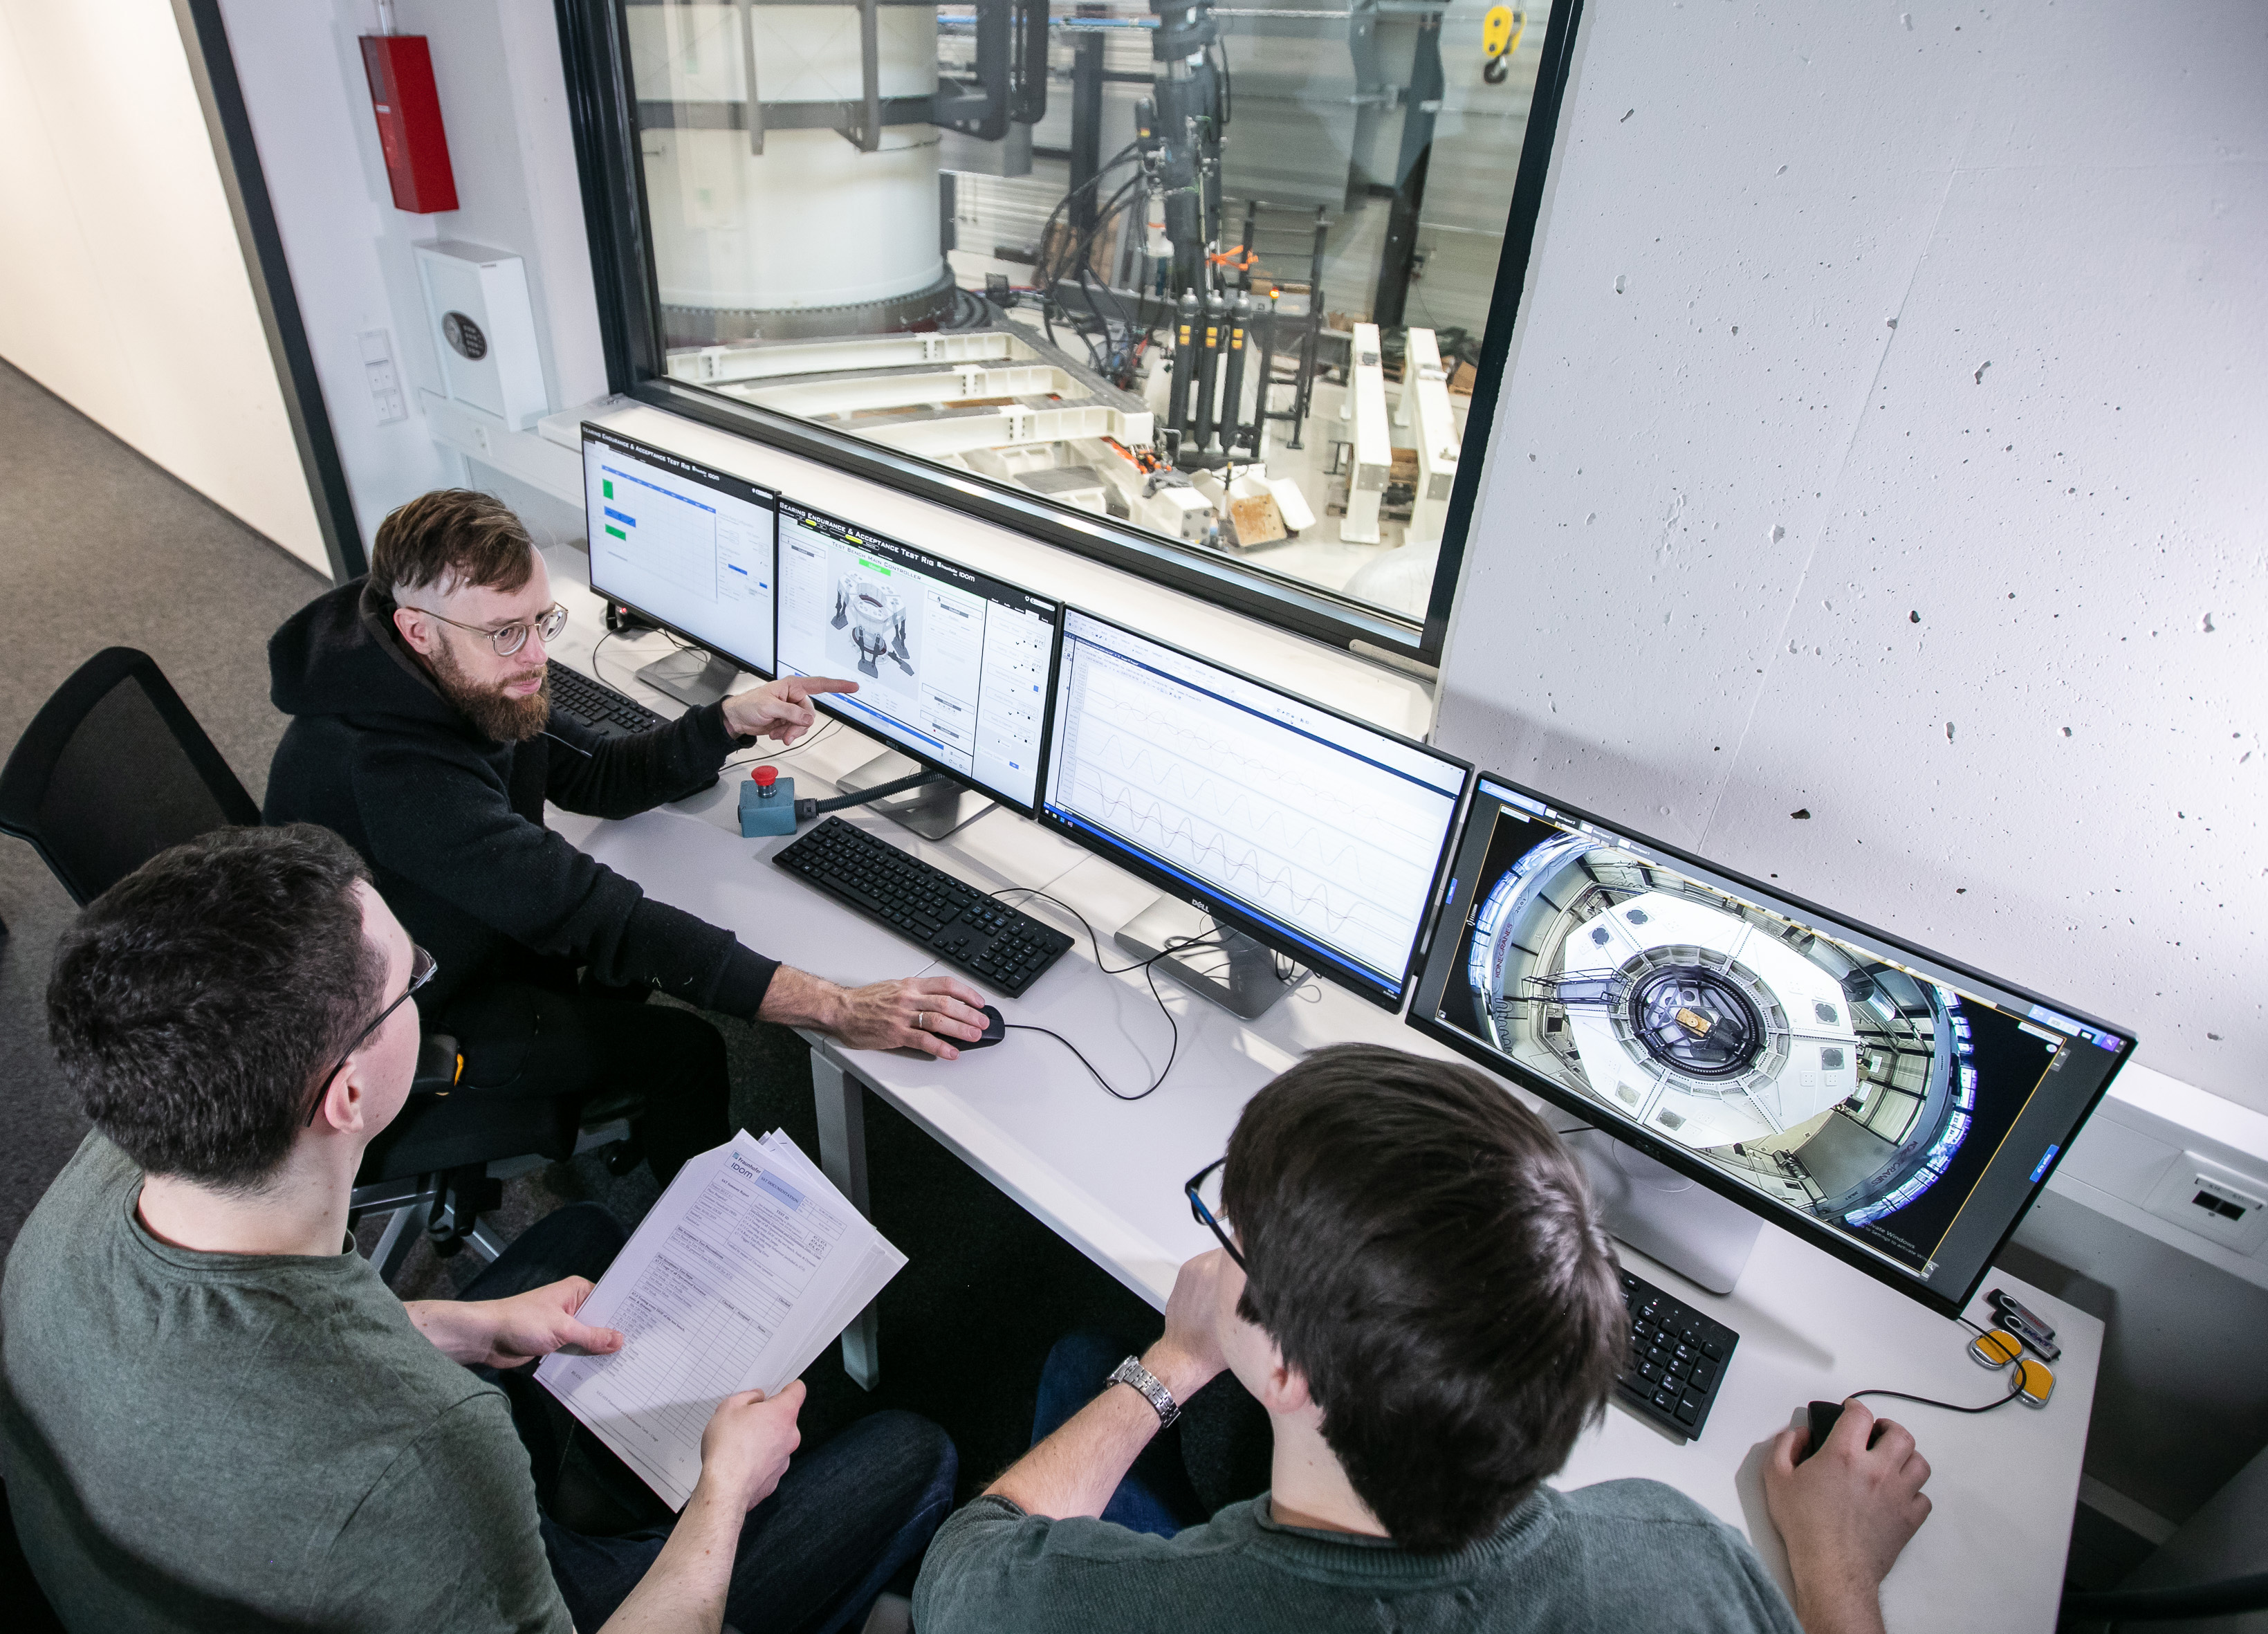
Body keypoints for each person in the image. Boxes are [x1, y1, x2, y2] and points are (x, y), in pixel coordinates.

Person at [1, 825, 957, 1633]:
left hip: (203, 1528)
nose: (427, 982)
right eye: (410, 978)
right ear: (348, 1094)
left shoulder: (118, 1159)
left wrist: (461, 1327)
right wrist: (725, 1490)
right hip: (438, 1559)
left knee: (583, 1237)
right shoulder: (427, 1452)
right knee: (915, 1453)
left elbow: (245, 1353)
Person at [912, 1043, 1933, 1634]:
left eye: (1234, 1238)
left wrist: (1173, 1361)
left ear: (1284, 1363)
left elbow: (961, 1567)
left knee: (1080, 1366)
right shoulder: (1680, 1553)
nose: (1221, 1251)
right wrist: (1837, 1567)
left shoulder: (1098, 1608)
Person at [264, 488, 988, 1182]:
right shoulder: (391, 770)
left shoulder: (459, 670)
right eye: (506, 632)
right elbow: (596, 915)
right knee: (684, 1050)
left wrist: (726, 722)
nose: (535, 657)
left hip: (466, 932)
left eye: (542, 622)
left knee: (640, 954)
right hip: (408, 1021)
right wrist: (838, 1009)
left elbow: (597, 774)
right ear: (418, 630)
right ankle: (705, 1248)